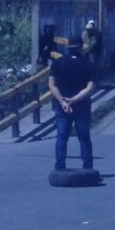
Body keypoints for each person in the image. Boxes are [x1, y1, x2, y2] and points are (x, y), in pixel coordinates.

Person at [48, 42, 96, 171]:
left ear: (68, 48)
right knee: (84, 137)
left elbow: (52, 85)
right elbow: (90, 88)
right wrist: (73, 100)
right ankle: (87, 167)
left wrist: (63, 101)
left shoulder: (57, 63)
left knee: (62, 137)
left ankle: (59, 166)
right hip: (82, 106)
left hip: (62, 107)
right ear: (80, 48)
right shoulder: (88, 64)